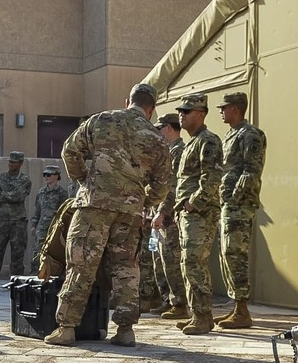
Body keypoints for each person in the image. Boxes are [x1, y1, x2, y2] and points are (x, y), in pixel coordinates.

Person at [44, 82, 171, 347]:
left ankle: (66, 328)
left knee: (81, 264)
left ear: (128, 101)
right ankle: (125, 331)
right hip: (131, 212)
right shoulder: (157, 138)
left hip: (94, 206)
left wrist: (84, 181)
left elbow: (70, 151)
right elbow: (162, 183)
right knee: (126, 268)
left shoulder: (102, 120)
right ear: (152, 109)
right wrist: (143, 200)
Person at [171, 94, 224, 336]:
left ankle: (202, 317)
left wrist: (194, 204)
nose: (181, 115)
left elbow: (211, 178)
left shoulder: (208, 141)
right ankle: (198, 314)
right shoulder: (191, 142)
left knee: (194, 262)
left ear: (201, 114)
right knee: (188, 264)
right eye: (180, 111)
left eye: (187, 111)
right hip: (188, 214)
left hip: (200, 214)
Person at [215, 92, 267, 329]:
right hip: (227, 205)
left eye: (224, 108)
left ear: (236, 109)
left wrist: (234, 198)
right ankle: (236, 306)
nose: (221, 112)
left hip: (239, 206)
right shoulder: (231, 135)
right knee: (227, 254)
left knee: (236, 254)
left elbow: (251, 171)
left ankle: (242, 310)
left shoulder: (250, 135)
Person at [151, 113, 188, 319]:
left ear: (169, 128)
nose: (158, 133)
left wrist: (162, 211)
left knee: (171, 260)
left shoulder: (179, 152)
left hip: (169, 216)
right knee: (159, 259)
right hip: (158, 214)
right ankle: (167, 300)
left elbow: (172, 188)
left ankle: (179, 303)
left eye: (160, 128)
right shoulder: (167, 152)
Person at [0, 151, 31, 291]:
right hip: (2, 221)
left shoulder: (25, 180)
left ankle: (16, 282)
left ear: (20, 163)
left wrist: (4, 195)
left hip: (18, 221)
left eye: (14, 162)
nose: (11, 164)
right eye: (10, 162)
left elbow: (19, 197)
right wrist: (10, 195)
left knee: (17, 253)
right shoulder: (0, 178)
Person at [29, 165, 68, 271]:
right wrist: (34, 225)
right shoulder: (42, 192)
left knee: (54, 251)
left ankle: (53, 273)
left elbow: (64, 212)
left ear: (56, 176)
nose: (46, 177)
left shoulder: (62, 193)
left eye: (49, 175)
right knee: (37, 250)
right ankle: (35, 273)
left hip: (55, 227)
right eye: (44, 175)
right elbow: (37, 210)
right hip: (41, 227)